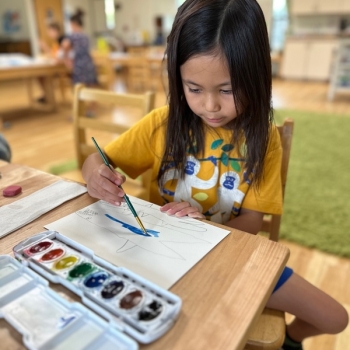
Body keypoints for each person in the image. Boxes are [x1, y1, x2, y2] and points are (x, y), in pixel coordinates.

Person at [81, 1, 349, 349]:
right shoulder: (162, 124)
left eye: (226, 90)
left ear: (256, 76)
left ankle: (290, 342)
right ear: (178, 80)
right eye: (194, 89)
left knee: (335, 317)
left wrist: (205, 229)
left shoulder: (263, 138)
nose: (210, 106)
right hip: (160, 258)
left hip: (231, 255)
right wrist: (94, 173)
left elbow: (253, 220)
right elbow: (98, 158)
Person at [61, 9, 98, 87]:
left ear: (74, 24)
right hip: (89, 63)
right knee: (91, 88)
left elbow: (64, 46)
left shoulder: (73, 36)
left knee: (79, 89)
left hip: (79, 65)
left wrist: (66, 58)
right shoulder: (86, 36)